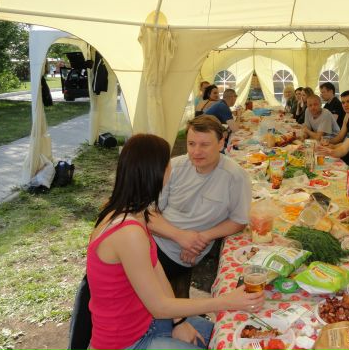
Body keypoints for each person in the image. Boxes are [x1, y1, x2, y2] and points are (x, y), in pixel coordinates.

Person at [86, 134, 264, 350]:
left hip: (148, 322)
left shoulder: (135, 212)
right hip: (127, 342)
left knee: (230, 336)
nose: (171, 168)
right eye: (166, 164)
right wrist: (226, 301)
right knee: (225, 340)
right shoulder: (128, 232)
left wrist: (179, 321)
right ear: (156, 173)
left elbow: (157, 271)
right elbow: (159, 307)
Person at [147, 116, 251, 298]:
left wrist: (201, 238)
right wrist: (181, 236)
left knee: (130, 282)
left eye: (204, 145)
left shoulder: (235, 176)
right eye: (191, 144)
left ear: (221, 143)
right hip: (150, 239)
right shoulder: (174, 166)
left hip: (179, 254)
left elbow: (239, 220)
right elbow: (149, 213)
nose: (196, 152)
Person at [325, 90, 349, 166]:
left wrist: (334, 146)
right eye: (343, 102)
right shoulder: (347, 115)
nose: (345, 105)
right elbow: (340, 136)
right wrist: (328, 142)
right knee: (327, 161)